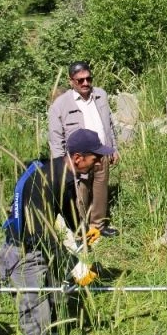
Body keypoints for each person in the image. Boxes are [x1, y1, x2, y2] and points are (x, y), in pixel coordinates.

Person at [0, 129, 114, 335]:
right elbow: (39, 234)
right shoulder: (42, 181)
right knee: (35, 311)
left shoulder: (64, 173)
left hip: (41, 243)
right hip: (23, 251)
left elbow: (66, 206)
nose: (99, 161)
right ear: (79, 158)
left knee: (55, 296)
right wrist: (75, 265)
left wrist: (82, 234)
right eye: (96, 157)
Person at [49, 62, 120, 237]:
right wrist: (61, 167)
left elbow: (109, 124)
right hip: (78, 160)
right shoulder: (60, 105)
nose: (85, 83)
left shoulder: (100, 95)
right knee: (79, 194)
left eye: (89, 79)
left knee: (100, 190)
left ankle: (98, 225)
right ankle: (80, 230)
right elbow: (55, 139)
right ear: (71, 81)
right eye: (80, 80)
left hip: (101, 153)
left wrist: (113, 148)